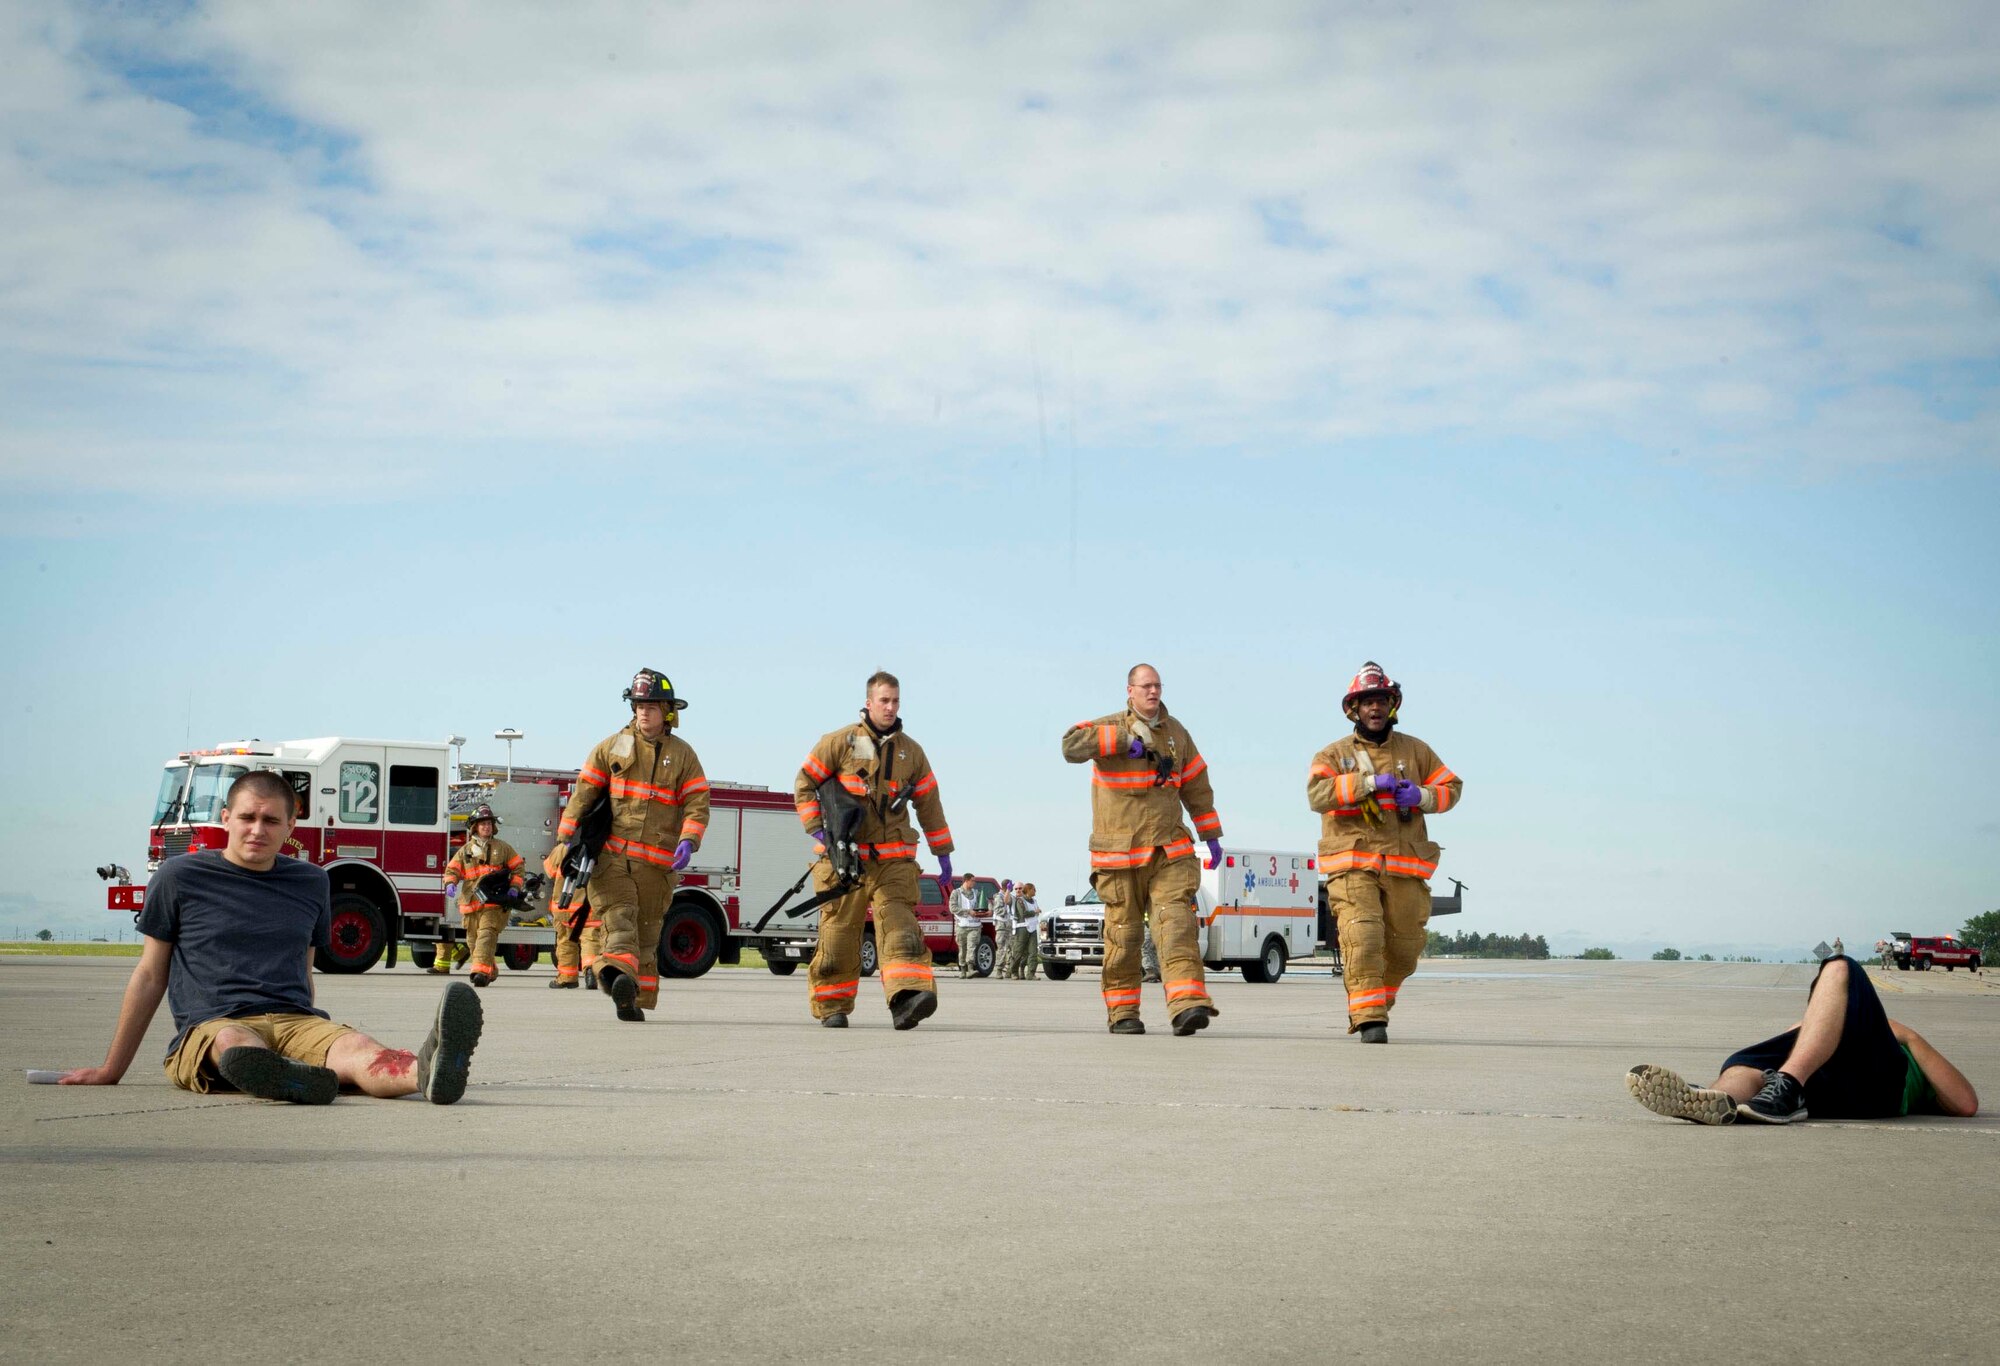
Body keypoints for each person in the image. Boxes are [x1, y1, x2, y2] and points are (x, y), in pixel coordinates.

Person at [60, 771, 480, 1104]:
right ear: (226, 818)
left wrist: (318, 1034)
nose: (257, 829)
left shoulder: (313, 882)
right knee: (234, 1043)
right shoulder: (179, 877)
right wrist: (111, 1069)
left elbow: (304, 967)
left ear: (291, 825)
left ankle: (425, 1072)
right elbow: (151, 975)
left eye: (271, 820)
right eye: (247, 817)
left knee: (357, 1046)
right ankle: (281, 1075)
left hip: (295, 1019)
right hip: (212, 1025)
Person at [1061, 663, 1224, 1036]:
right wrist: (1120, 741)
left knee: (1177, 924)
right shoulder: (1109, 724)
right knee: (1124, 935)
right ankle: (1123, 1013)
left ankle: (1187, 1005)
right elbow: (1069, 745)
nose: (1153, 692)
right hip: (1119, 855)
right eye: (1146, 686)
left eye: (1158, 686)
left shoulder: (1176, 733)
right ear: (1129, 690)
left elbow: (1196, 784)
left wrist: (1210, 832)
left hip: (1169, 847)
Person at [1627, 955, 1979, 1125]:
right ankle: (1720, 1100)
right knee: (1753, 1062)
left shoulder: (1894, 1045)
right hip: (1824, 1092)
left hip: (1875, 1089)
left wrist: (1907, 1035)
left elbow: (1965, 1103)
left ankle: (1787, 1086)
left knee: (1840, 966)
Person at [1306, 661, 1462, 1044]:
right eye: (1366, 702)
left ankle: (1374, 1001)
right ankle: (1369, 1017)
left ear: (1392, 705)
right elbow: (1316, 795)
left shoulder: (1417, 751)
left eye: (1380, 701)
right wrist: (1368, 783)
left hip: (1405, 867)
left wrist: (1423, 796)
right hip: (1353, 865)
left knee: (1406, 948)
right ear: (1353, 709)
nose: (1374, 708)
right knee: (1364, 937)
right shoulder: (1332, 755)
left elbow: (1452, 788)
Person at [794, 670, 955, 1029]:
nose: (891, 707)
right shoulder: (840, 742)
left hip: (893, 859)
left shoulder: (911, 752)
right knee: (838, 934)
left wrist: (942, 850)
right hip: (844, 859)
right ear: (869, 703)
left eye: (896, 701)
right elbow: (804, 783)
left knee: (900, 926)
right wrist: (818, 833)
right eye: (884, 700)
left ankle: (908, 997)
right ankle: (832, 1005)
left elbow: (929, 802)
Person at [557, 668, 711, 1023]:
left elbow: (697, 804)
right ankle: (612, 973)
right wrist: (566, 839)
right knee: (619, 920)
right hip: (611, 860)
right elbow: (584, 794)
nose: (643, 712)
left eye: (651, 706)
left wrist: (689, 839)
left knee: (647, 934)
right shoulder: (611, 747)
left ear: (668, 711)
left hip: (657, 869)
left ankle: (631, 998)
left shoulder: (683, 755)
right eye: (638, 704)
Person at [442, 802, 525, 988]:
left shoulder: (503, 848)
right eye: (482, 824)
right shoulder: (465, 851)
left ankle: (479, 973)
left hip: (494, 904)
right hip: (471, 905)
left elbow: (518, 868)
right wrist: (450, 883)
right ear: (475, 827)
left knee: (486, 936)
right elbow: (452, 870)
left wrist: (514, 888)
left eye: (489, 823)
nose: (486, 827)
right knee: (473, 943)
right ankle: (490, 970)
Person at [543, 840, 601, 990]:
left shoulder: (562, 849)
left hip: (565, 906)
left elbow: (549, 870)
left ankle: (567, 977)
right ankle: (591, 972)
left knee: (566, 942)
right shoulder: (600, 846)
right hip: (589, 907)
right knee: (590, 940)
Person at [949, 873, 983, 978]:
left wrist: (987, 911)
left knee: (971, 947)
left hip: (974, 926)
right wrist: (968, 912)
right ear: (966, 880)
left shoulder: (976, 893)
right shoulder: (956, 893)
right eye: (973, 880)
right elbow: (953, 908)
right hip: (961, 926)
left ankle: (970, 968)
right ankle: (963, 969)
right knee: (962, 949)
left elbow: (985, 904)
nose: (974, 883)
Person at [1014, 883, 1042, 980]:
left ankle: (1031, 973)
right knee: (1019, 952)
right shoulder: (1020, 901)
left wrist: (1036, 913)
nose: (1035, 891)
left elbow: (1037, 912)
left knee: (1033, 952)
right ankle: (1014, 972)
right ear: (1029, 890)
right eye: (1034, 889)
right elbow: (1023, 914)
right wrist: (1035, 912)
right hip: (1023, 929)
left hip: (1033, 928)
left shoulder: (1034, 901)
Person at [991, 880, 1019, 977]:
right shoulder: (999, 897)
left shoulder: (1010, 897)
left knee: (1011, 948)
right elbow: (998, 910)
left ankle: (1009, 970)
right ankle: (999, 970)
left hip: (1010, 925)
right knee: (1001, 948)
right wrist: (1007, 909)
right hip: (1001, 926)